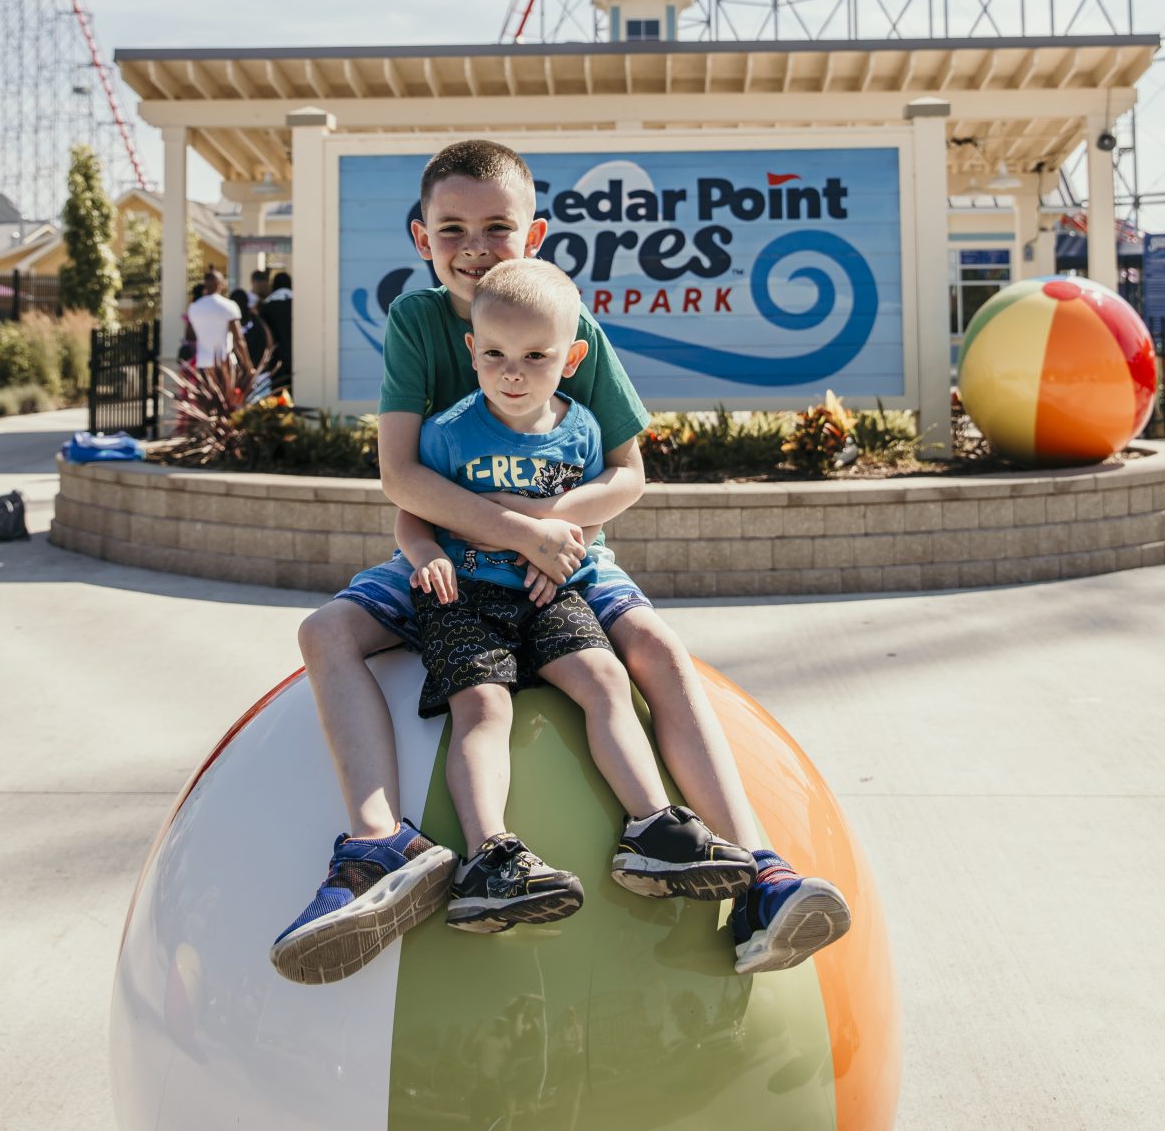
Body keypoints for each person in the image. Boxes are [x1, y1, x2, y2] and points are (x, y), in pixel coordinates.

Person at [271, 139, 851, 984]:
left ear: (533, 234)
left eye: (497, 226)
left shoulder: (570, 324)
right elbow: (401, 474)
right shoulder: (416, 323)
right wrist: (510, 534)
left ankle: (760, 869)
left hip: (567, 550)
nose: (474, 244)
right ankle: (378, 844)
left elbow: (628, 472)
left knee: (655, 651)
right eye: (451, 228)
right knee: (326, 632)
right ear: (420, 237)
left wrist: (549, 528)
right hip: (451, 552)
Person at [399, 258, 747, 931]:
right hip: (466, 595)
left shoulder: (583, 430)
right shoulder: (446, 431)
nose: (513, 372)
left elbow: (589, 516)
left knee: (605, 679)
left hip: (547, 591)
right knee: (482, 704)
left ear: (572, 355)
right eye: (494, 353)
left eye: (536, 356)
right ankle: (487, 856)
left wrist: (561, 546)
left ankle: (651, 828)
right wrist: (421, 557)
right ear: (471, 350)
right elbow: (412, 512)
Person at [185, 271, 250, 375]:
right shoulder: (229, 306)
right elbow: (239, 340)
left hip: (203, 364)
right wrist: (248, 365)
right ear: (219, 284)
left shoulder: (194, 307)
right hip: (225, 363)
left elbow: (190, 336)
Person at [259, 270, 293, 391]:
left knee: (278, 390)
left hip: (276, 355)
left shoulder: (266, 305)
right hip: (296, 354)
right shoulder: (298, 302)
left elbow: (264, 333)